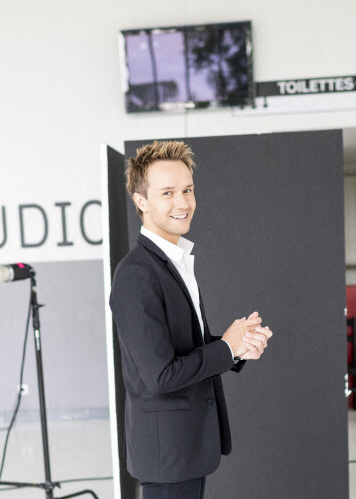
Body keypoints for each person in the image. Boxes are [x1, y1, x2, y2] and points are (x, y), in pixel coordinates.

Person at [109, 140, 272, 499]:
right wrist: (226, 348)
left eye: (187, 190)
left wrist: (238, 348)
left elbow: (184, 349)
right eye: (167, 193)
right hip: (167, 455)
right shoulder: (136, 274)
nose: (182, 203)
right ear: (141, 202)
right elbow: (161, 375)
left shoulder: (175, 261)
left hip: (187, 448)